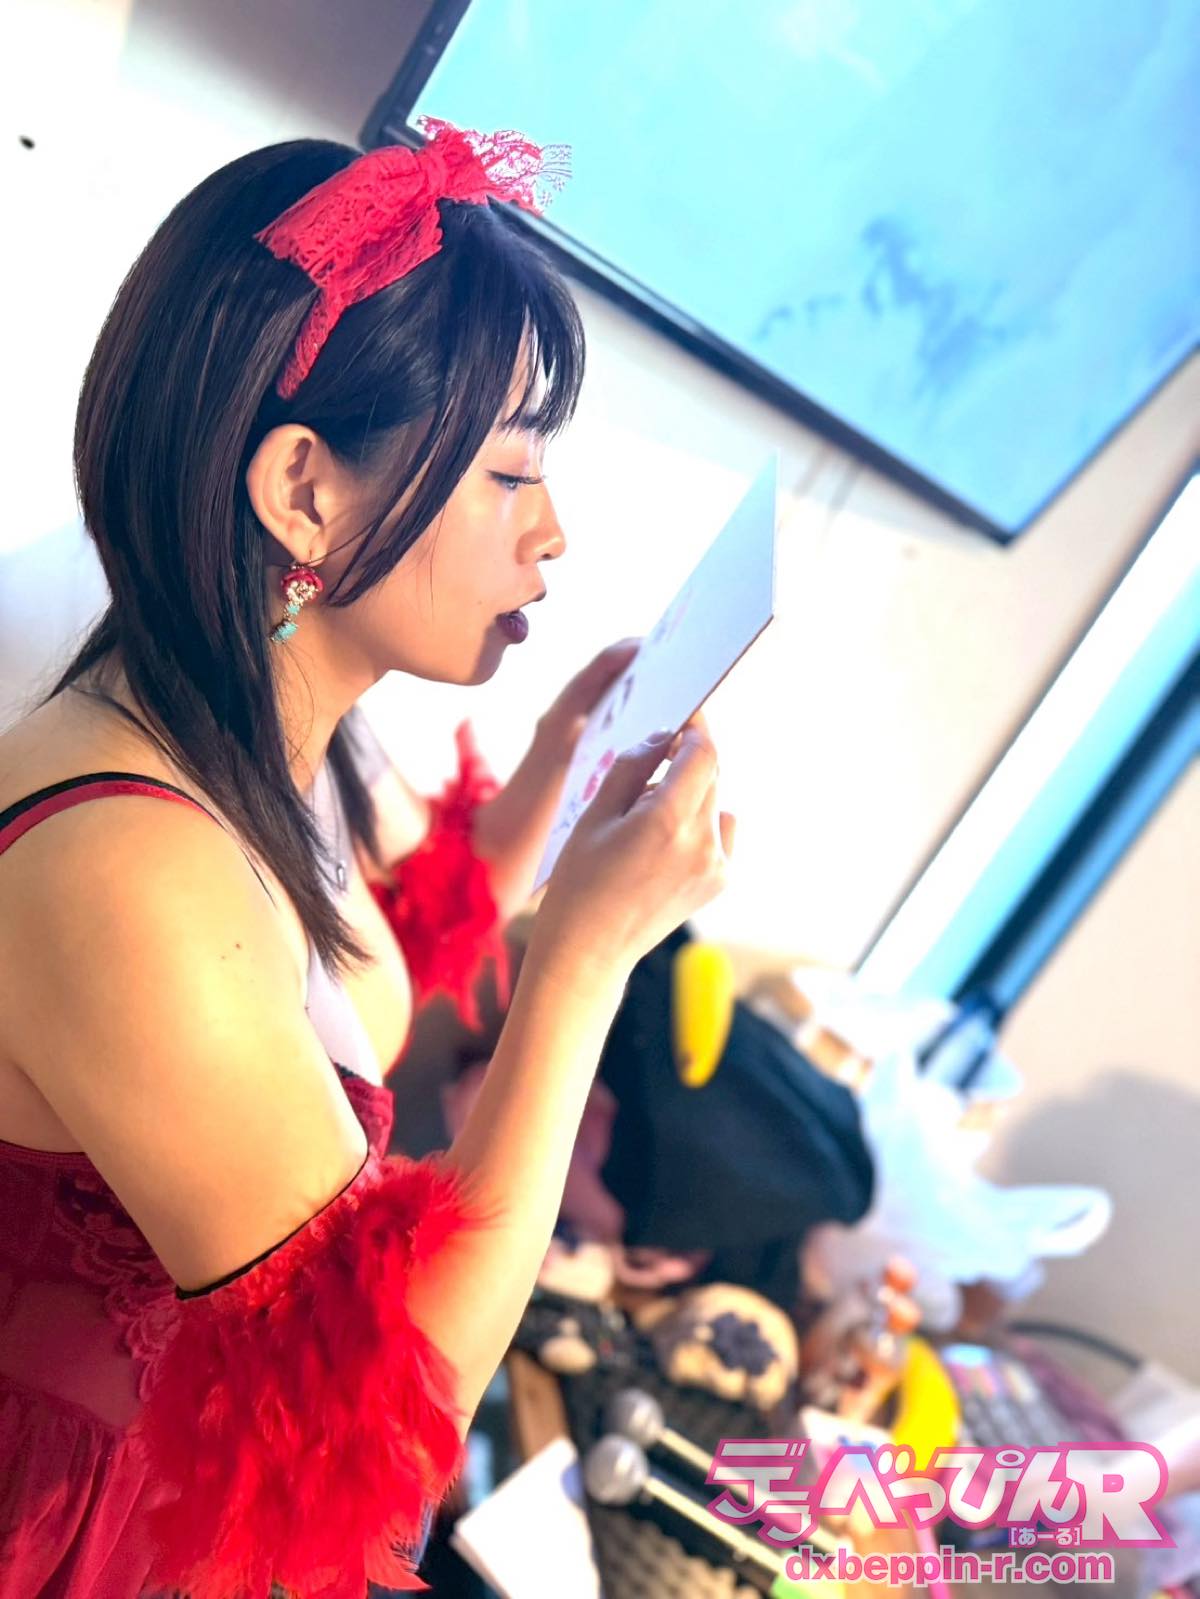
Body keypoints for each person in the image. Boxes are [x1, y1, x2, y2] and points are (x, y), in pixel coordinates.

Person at [0, 120, 735, 1597]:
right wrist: (587, 963)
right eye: (508, 473)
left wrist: (553, 777)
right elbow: (378, 1418)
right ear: (305, 491)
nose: (554, 535)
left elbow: (376, 961)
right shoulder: (127, 869)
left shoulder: (282, 729)